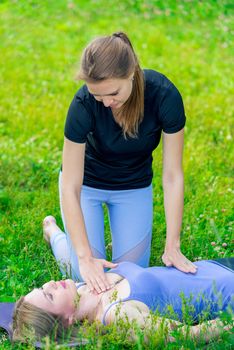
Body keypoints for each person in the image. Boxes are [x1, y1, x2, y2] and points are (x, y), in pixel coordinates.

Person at [60, 31, 197, 294]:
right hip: (87, 186)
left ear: (132, 72)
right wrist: (84, 256)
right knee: (86, 273)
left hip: (133, 186)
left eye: (112, 93)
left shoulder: (164, 96)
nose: (107, 103)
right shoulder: (82, 103)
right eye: (98, 96)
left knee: (130, 277)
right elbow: (70, 186)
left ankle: (68, 238)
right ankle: (54, 232)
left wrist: (173, 244)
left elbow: (172, 176)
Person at [12, 217, 233, 343]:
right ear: (67, 320)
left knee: (72, 261)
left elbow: (66, 264)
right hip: (229, 287)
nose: (50, 284)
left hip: (215, 265)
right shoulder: (118, 315)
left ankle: (53, 233)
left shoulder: (81, 288)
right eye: (49, 295)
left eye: (42, 286)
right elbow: (186, 336)